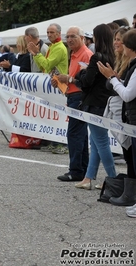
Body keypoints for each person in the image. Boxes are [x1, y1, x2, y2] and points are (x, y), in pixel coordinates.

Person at [73, 24, 117, 190]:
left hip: (94, 104)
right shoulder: (112, 56)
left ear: (98, 38)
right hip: (105, 103)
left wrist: (81, 72)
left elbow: (86, 82)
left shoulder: (97, 57)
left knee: (101, 142)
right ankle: (88, 177)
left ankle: (112, 179)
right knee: (96, 142)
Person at [97, 29, 136, 210]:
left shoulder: (133, 66)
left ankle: (131, 196)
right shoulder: (126, 63)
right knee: (131, 158)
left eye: (121, 41)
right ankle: (130, 195)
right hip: (128, 117)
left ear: (129, 47)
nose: (117, 44)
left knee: (132, 158)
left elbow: (127, 94)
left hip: (130, 117)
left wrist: (113, 79)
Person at [51, 26, 93, 182]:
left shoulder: (86, 55)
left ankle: (76, 170)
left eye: (73, 36)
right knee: (79, 135)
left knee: (75, 134)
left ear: (82, 37)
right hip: (74, 95)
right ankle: (81, 169)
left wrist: (67, 79)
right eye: (67, 37)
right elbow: (73, 78)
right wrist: (60, 82)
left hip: (80, 97)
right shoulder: (74, 54)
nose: (69, 39)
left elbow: (86, 81)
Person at [28, 23, 68, 154]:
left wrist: (37, 54)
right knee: (52, 114)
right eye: (48, 32)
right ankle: (54, 141)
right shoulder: (53, 46)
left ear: (58, 34)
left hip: (59, 84)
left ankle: (62, 143)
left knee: (59, 114)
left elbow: (48, 64)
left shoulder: (59, 47)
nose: (49, 34)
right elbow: (43, 68)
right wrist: (36, 55)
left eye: (52, 32)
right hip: (52, 82)